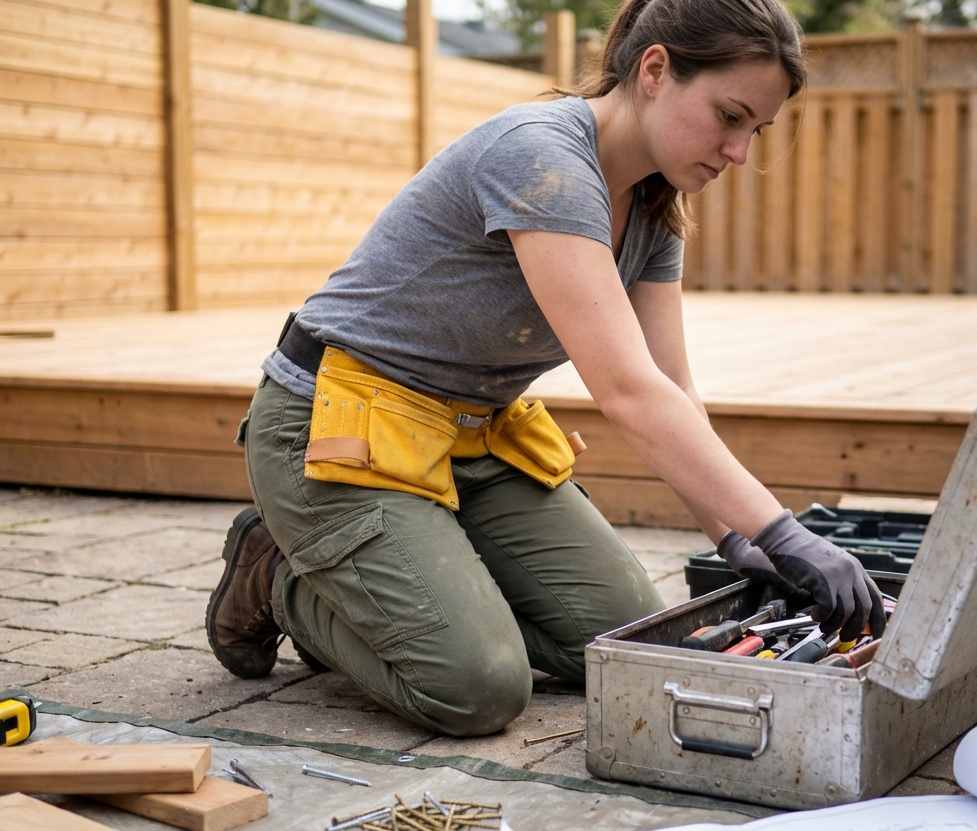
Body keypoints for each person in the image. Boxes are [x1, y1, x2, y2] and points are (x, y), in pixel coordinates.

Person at [206, 0, 884, 737]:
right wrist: (785, 533)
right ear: (654, 70)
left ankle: (425, 592)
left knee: (633, 642)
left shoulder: (654, 207)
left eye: (756, 128)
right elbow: (626, 391)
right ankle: (278, 578)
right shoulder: (542, 156)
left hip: (469, 437)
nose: (740, 150)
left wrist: (737, 541)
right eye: (729, 115)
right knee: (478, 687)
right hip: (335, 429)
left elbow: (674, 390)